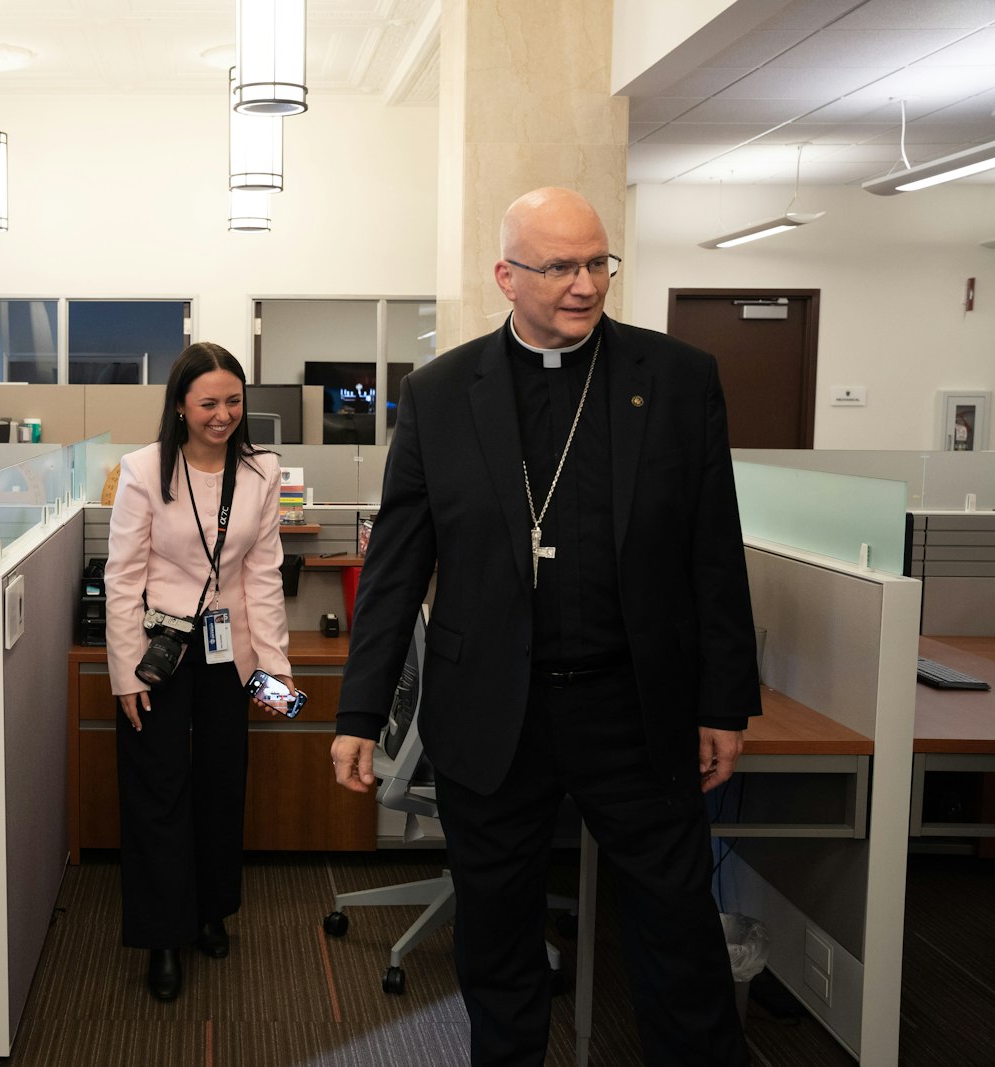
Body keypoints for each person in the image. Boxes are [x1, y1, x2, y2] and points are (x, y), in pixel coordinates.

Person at [331, 187, 760, 1067]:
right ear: (507, 277)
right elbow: (396, 568)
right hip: (494, 708)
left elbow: (713, 552)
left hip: (634, 705)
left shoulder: (676, 379)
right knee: (497, 937)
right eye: (560, 265)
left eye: (598, 262)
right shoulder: (441, 392)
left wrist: (725, 701)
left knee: (678, 928)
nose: (585, 284)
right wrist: (357, 712)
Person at [105, 342, 294, 1001]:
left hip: (230, 655)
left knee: (221, 782)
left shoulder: (262, 472)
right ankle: (162, 935)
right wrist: (125, 675)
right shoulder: (143, 470)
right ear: (180, 405)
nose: (223, 415)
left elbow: (262, 578)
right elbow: (122, 577)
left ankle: (212, 909)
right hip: (158, 651)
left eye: (233, 401)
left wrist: (276, 673)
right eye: (208, 402)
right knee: (158, 790)